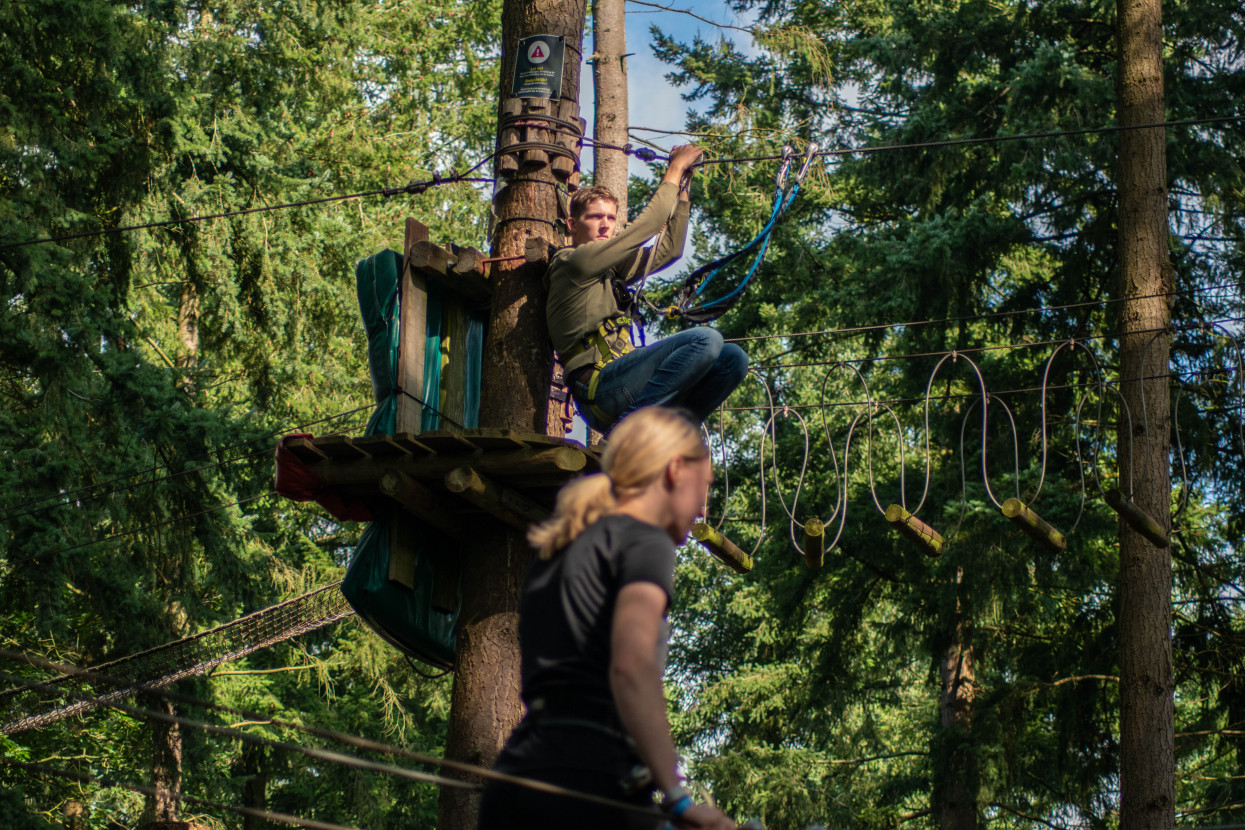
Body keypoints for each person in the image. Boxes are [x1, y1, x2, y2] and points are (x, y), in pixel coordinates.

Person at [476, 407, 737, 830]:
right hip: (587, 785)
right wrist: (679, 799)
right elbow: (632, 666)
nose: (702, 510)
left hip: (519, 778)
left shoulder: (562, 547)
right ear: (675, 470)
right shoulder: (644, 541)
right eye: (703, 488)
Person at [546, 145, 749, 433]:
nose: (605, 226)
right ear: (572, 225)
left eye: (611, 218)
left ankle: (674, 435)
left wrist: (683, 188)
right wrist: (675, 169)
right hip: (601, 389)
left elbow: (669, 250)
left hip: (627, 380)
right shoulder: (573, 262)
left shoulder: (609, 270)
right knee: (705, 340)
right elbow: (649, 227)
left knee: (734, 360)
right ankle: (631, 428)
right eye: (595, 217)